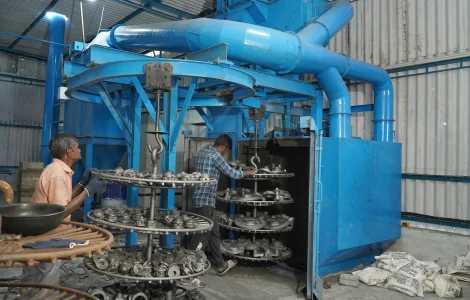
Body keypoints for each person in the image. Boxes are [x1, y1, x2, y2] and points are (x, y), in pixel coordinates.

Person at [20, 133, 107, 286]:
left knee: (36, 279)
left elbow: (63, 200)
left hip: (45, 231)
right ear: (69, 151)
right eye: (77, 147)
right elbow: (60, 211)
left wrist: (82, 183)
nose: (80, 150)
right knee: (44, 281)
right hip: (45, 235)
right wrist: (88, 192)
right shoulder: (57, 174)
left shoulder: (58, 170)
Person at [188, 134, 257, 276]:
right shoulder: (215, 155)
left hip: (200, 198)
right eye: (225, 152)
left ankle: (220, 264)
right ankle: (188, 264)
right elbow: (232, 173)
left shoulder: (203, 151)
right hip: (206, 200)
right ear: (223, 147)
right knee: (201, 235)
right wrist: (248, 172)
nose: (225, 154)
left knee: (214, 233)